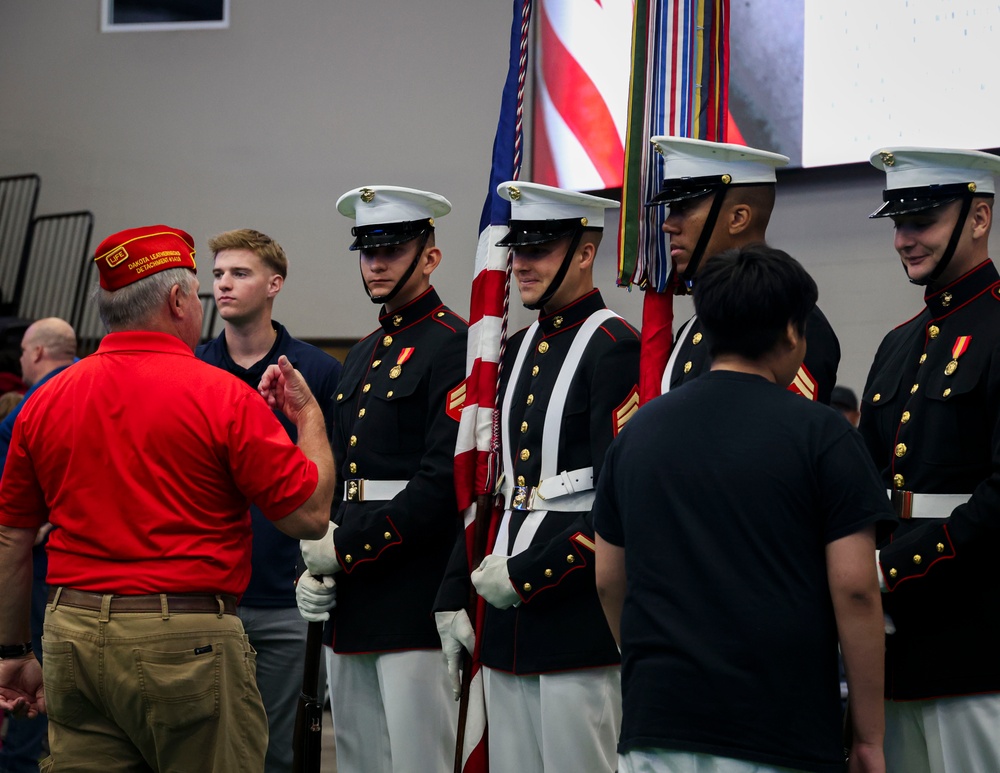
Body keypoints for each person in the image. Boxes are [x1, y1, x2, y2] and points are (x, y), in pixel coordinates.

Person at [0, 225, 335, 773]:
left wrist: (11, 653)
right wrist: (310, 418)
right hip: (184, 643)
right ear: (180, 300)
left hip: (72, 633)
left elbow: (11, 536)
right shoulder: (222, 394)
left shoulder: (45, 400)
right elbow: (309, 515)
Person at [594, 243, 894, 773]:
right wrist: (868, 736)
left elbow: (608, 579)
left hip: (656, 723)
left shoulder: (638, 433)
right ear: (791, 331)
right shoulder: (822, 435)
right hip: (775, 728)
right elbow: (855, 589)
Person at [436, 182, 640, 773]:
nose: (520, 264)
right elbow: (490, 484)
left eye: (540, 249)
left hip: (575, 616)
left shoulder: (613, 347)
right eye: (516, 249)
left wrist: (532, 573)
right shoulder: (515, 347)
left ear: (584, 251)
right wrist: (454, 591)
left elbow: (621, 504)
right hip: (504, 612)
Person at [294, 186, 468, 773]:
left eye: (392, 249)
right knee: (360, 760)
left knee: (421, 759)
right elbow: (348, 477)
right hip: (354, 593)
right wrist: (319, 561)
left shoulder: (456, 343)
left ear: (430, 257)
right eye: (367, 251)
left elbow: (442, 481)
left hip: (414, 590)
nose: (376, 263)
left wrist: (343, 550)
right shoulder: (364, 352)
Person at [859, 146, 1000, 773]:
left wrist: (893, 567)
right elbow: (864, 483)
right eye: (897, 222)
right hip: (893, 640)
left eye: (924, 220)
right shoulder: (897, 344)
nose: (904, 240)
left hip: (977, 639)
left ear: (979, 217)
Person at [196, 229, 341, 773]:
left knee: (281, 753)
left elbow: (338, 479)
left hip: (286, 595)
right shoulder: (195, 368)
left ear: (274, 284)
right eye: (217, 275)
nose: (224, 285)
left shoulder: (318, 371)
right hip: (206, 595)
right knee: (204, 750)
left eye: (240, 273)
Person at [650, 136, 841, 404]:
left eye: (683, 208)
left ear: (738, 218)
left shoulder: (791, 320)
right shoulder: (692, 328)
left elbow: (781, 434)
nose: (668, 225)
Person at [0, 318, 76, 773]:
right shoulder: (99, 388)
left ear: (37, 354)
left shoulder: (29, 407)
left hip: (41, 563)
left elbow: (9, 512)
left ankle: (21, 763)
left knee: (33, 669)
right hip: (106, 572)